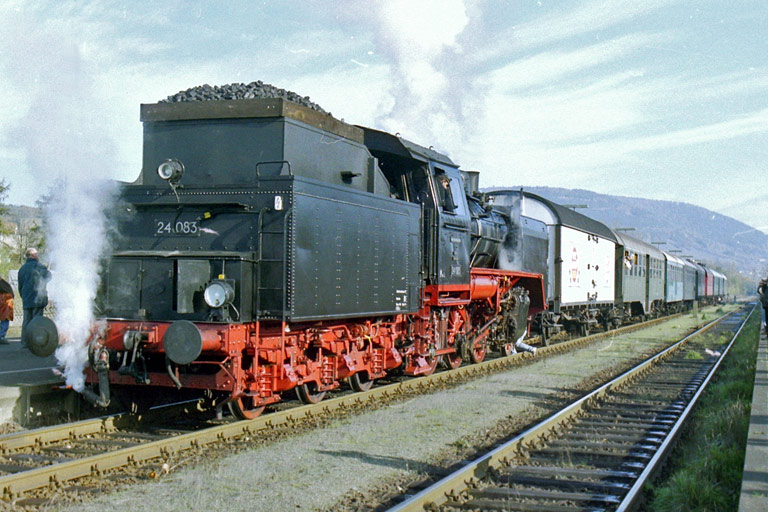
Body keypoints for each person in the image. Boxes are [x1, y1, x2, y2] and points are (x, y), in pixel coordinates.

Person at [18, 248, 52, 346]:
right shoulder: (40, 267)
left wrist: (23, 296)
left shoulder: (22, 269)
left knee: (26, 321)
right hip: (38, 297)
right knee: (37, 321)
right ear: (32, 255)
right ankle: (35, 343)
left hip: (26, 298)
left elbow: (20, 285)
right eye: (36, 253)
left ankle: (24, 342)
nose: (38, 255)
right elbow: (49, 277)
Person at [0, 277, 13, 344]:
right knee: (5, 318)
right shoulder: (3, 283)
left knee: (5, 318)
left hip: (5, 298)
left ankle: (1, 336)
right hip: (6, 298)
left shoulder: (3, 284)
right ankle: (1, 336)